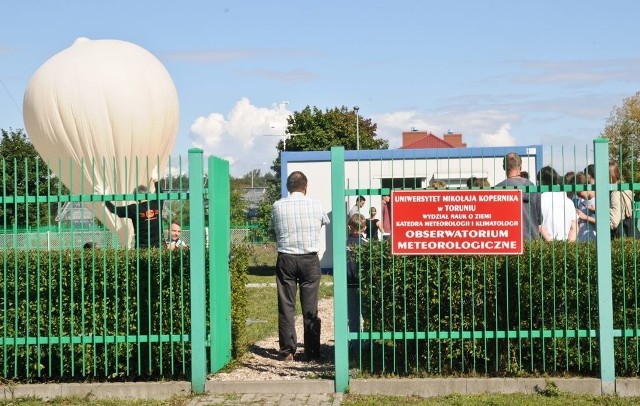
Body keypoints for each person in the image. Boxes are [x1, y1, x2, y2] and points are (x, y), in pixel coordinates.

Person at [271, 171, 329, 361]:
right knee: (310, 307)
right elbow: (323, 222)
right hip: (309, 258)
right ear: (305, 187)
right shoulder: (316, 204)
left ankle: (288, 350)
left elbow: (274, 228)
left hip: (286, 258)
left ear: (288, 187)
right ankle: (312, 352)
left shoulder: (277, 206)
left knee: (286, 305)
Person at [495, 152, 542, 240]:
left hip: (507, 240)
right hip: (531, 241)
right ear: (520, 167)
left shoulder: (498, 189)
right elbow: (539, 219)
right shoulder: (531, 187)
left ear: (504, 167)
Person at [104, 181, 162, 248]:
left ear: (136, 196)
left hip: (142, 248)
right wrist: (156, 181)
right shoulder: (157, 203)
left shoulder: (134, 208)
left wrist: (105, 198)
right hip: (158, 248)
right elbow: (161, 193)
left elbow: (113, 209)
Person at [537, 166, 577, 241]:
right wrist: (568, 246)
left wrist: (550, 243)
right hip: (566, 245)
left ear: (540, 182)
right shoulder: (568, 201)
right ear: (556, 180)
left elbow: (539, 226)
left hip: (545, 246)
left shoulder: (539, 200)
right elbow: (574, 228)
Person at [346, 213, 368, 333]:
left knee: (353, 314)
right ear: (364, 228)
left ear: (349, 227)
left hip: (349, 283)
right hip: (364, 284)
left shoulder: (344, 243)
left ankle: (355, 344)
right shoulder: (367, 243)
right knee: (367, 313)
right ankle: (367, 342)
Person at [608, 162, 634, 236]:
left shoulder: (615, 193)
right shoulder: (624, 189)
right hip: (628, 227)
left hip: (620, 233)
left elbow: (614, 222)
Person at [574, 171, 596, 242]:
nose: (578, 195)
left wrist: (585, 217)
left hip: (594, 241)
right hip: (581, 241)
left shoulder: (599, 200)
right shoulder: (581, 201)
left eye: (579, 192)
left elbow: (605, 222)